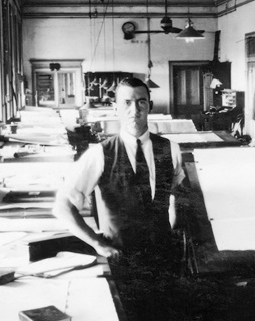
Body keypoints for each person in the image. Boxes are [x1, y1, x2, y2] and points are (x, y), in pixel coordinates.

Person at [53, 77, 186, 262]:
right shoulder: (100, 153)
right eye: (127, 103)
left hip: (163, 258)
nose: (135, 110)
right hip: (120, 258)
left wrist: (170, 227)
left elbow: (175, 195)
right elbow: (63, 206)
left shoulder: (171, 149)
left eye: (141, 102)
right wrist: (97, 244)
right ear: (115, 108)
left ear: (150, 106)